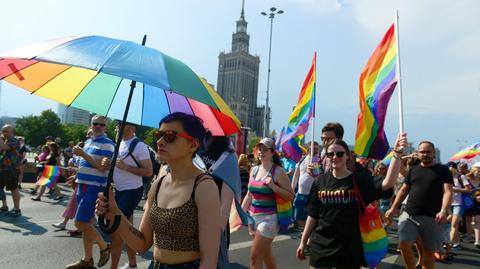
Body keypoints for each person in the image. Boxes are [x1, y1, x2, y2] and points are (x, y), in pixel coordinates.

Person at [96, 112, 221, 269]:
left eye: (170, 136)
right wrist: (115, 213)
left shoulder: (204, 187)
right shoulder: (158, 184)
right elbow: (141, 244)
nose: (160, 141)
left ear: (193, 144)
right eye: (158, 135)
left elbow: (209, 261)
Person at [296, 134, 407, 269]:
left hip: (349, 245)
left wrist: (397, 154)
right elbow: (313, 214)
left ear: (347, 156)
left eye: (340, 154)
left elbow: (388, 183)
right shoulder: (320, 181)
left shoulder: (359, 180)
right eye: (331, 154)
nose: (335, 157)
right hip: (321, 242)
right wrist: (303, 241)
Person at [386, 141, 453, 269]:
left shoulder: (443, 170)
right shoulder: (413, 170)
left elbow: (448, 192)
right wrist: (394, 207)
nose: (425, 154)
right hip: (409, 215)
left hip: (432, 217)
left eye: (428, 152)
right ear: (418, 153)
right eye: (422, 152)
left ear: (434, 153)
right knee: (404, 244)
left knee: (428, 251)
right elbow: (403, 190)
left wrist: (444, 211)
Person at [66, 115, 114, 269]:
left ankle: (104, 247)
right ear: (91, 124)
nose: (98, 126)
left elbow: (102, 168)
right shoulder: (88, 141)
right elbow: (86, 164)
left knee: (79, 222)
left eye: (101, 124)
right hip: (82, 184)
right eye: (95, 124)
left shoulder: (108, 144)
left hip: (95, 186)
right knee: (86, 224)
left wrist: (83, 154)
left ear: (106, 127)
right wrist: (75, 173)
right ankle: (87, 260)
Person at [241, 137, 294, 269]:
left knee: (255, 256)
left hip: (269, 219)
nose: (261, 152)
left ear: (272, 152)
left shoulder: (278, 171)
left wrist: (274, 187)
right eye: (260, 149)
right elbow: (249, 194)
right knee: (266, 255)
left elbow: (291, 196)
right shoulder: (254, 170)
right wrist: (240, 213)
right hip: (253, 218)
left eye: (265, 150)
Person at [109, 121, 153, 269]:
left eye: (123, 124)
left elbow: (148, 171)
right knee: (128, 229)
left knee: (117, 230)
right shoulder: (119, 143)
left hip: (132, 191)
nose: (119, 126)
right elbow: (118, 166)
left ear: (132, 127)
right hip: (119, 190)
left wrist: (126, 167)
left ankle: (113, 267)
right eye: (118, 124)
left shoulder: (139, 145)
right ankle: (133, 265)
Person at [291, 141, 320, 229]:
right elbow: (296, 176)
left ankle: (309, 235)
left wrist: (315, 168)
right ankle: (308, 232)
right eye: (313, 149)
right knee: (298, 217)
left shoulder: (318, 161)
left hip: (313, 195)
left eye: (316, 149)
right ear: (308, 150)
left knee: (311, 218)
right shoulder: (302, 160)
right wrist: (292, 190)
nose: (315, 151)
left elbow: (319, 177)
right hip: (301, 194)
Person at [447, 162, 472, 249]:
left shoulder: (461, 177)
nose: (450, 170)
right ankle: (456, 243)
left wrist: (456, 189)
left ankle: (448, 245)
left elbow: (468, 189)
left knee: (454, 224)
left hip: (459, 203)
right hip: (448, 203)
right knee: (453, 224)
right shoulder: (446, 177)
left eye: (451, 169)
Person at [0, 124, 22, 217]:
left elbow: (4, 147)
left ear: (11, 132)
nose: (3, 133)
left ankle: (17, 209)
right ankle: (4, 206)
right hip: (2, 168)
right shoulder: (4, 140)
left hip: (10, 169)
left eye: (6, 131)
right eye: (2, 131)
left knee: (13, 189)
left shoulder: (14, 140)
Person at [466, 163, 480, 248]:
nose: (479, 173)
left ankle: (477, 241)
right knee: (468, 219)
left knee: (477, 220)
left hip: (478, 203)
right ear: (473, 171)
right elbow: (465, 191)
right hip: (468, 202)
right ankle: (469, 236)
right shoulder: (467, 180)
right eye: (478, 171)